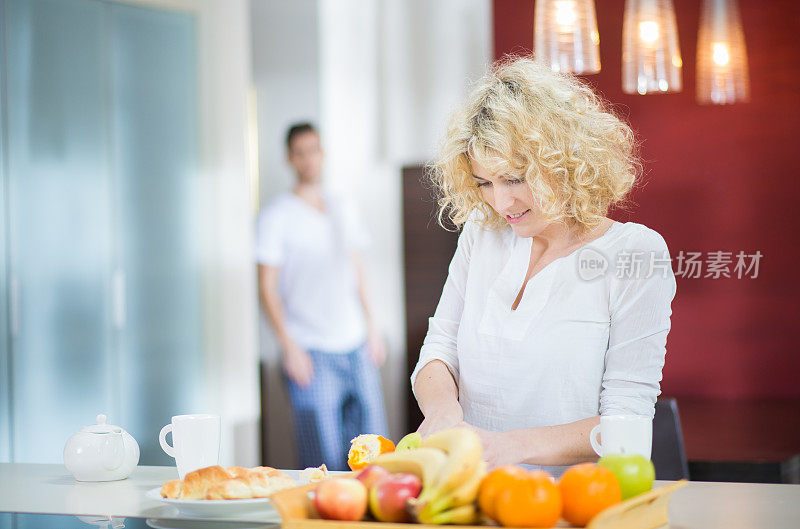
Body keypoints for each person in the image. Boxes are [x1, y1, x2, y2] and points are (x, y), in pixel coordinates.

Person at [411, 57, 677, 475]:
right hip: (471, 498)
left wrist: (508, 446)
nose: (500, 203)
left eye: (514, 179)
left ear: (565, 162)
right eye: (485, 183)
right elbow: (439, 350)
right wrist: (444, 413)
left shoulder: (635, 254)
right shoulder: (482, 237)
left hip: (570, 504)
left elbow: (628, 427)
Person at [256, 122, 389, 471]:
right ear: (290, 159)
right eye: (300, 153)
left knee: (375, 458)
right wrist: (289, 347)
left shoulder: (342, 206)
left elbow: (357, 270)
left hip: (356, 344)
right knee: (324, 463)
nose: (309, 160)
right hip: (310, 352)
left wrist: (373, 329)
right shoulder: (276, 217)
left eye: (314, 150)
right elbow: (266, 288)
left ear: (323, 154)